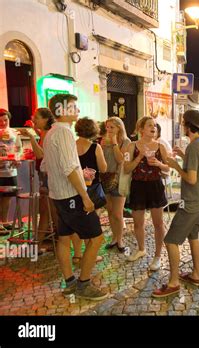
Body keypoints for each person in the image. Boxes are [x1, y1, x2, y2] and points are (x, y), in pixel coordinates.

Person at [41, 93, 107, 300]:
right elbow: (69, 167)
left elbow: (46, 165)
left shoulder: (51, 133)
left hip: (58, 195)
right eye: (73, 107)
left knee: (63, 239)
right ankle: (83, 285)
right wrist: (85, 196)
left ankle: (70, 282)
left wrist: (78, 172)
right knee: (97, 239)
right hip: (71, 196)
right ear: (61, 110)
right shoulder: (64, 133)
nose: (77, 111)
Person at [152, 110, 199, 298]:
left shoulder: (194, 146)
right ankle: (196, 275)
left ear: (187, 125)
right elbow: (198, 167)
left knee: (170, 241)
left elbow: (191, 179)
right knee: (193, 236)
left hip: (191, 202)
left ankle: (174, 282)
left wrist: (175, 166)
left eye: (183, 123)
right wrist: (183, 156)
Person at [123, 116, 169, 271]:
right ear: (141, 129)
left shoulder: (160, 146)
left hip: (155, 185)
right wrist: (140, 156)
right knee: (138, 223)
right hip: (138, 186)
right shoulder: (131, 146)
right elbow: (126, 168)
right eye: (150, 125)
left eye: (155, 125)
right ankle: (141, 249)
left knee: (158, 223)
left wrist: (159, 163)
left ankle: (157, 256)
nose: (153, 127)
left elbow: (168, 168)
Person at [71, 118, 107, 265]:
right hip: (92, 190)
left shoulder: (71, 145)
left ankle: (77, 255)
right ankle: (89, 255)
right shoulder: (95, 147)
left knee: (76, 222)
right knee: (91, 222)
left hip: (74, 188)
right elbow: (103, 168)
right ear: (94, 130)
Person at [19, 108, 57, 245]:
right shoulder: (44, 133)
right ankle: (42, 240)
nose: (34, 119)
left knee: (48, 209)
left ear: (46, 119)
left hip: (48, 175)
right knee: (46, 209)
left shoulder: (48, 133)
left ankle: (49, 240)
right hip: (45, 174)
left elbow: (41, 154)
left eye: (37, 117)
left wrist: (30, 137)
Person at [100, 117, 131, 252]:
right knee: (110, 211)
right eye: (107, 127)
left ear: (119, 128)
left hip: (119, 180)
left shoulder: (126, 141)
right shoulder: (103, 140)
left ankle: (120, 240)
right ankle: (114, 237)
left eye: (112, 127)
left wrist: (113, 144)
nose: (109, 130)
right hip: (105, 178)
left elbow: (120, 159)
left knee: (118, 213)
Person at [0, 109, 22, 235]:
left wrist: (17, 158)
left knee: (7, 197)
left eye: (5, 120)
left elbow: (19, 149)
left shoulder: (14, 133)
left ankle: (4, 221)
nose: (3, 123)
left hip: (10, 170)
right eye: (0, 121)